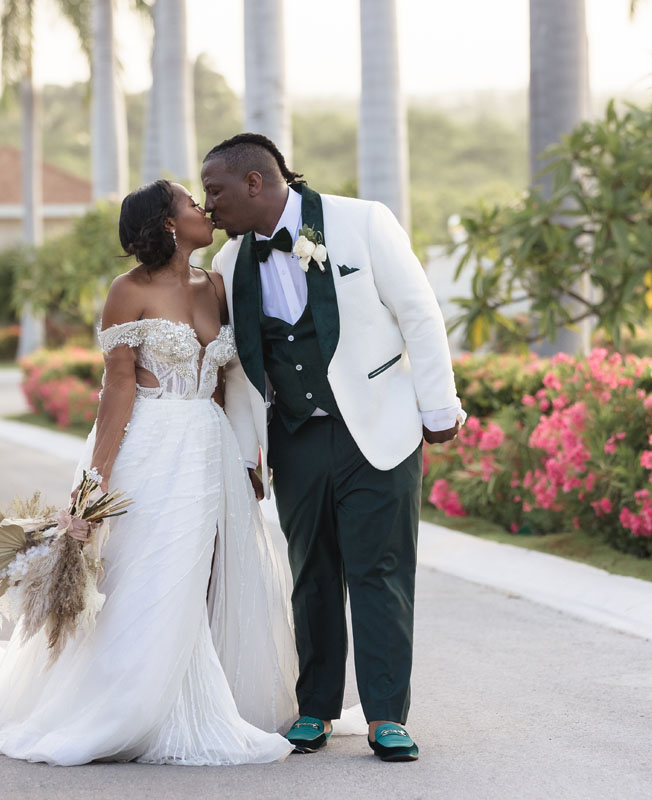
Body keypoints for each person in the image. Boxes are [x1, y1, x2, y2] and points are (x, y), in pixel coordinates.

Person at [0, 180, 300, 767]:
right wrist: (93, 486)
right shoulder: (127, 291)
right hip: (150, 447)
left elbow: (225, 385)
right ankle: (131, 703)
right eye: (192, 204)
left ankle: (204, 694)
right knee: (148, 576)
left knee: (209, 573)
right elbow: (116, 392)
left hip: (208, 449)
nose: (204, 210)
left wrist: (247, 456)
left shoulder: (214, 283)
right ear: (167, 223)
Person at [202, 133, 464, 762]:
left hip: (379, 427)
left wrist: (439, 405)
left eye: (216, 191)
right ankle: (315, 709)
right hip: (294, 438)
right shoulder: (231, 264)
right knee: (311, 574)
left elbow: (419, 313)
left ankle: (386, 717)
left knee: (380, 570)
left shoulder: (363, 221)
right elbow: (236, 370)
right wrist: (248, 453)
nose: (209, 207)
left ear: (256, 183)